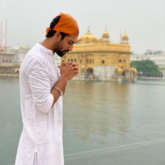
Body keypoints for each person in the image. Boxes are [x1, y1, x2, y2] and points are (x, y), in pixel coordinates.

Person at [15, 13, 79, 165]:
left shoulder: (48, 58)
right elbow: (44, 105)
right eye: (70, 42)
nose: (71, 48)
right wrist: (63, 78)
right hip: (38, 152)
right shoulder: (37, 60)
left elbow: (57, 95)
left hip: (49, 148)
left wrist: (64, 77)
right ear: (57, 35)